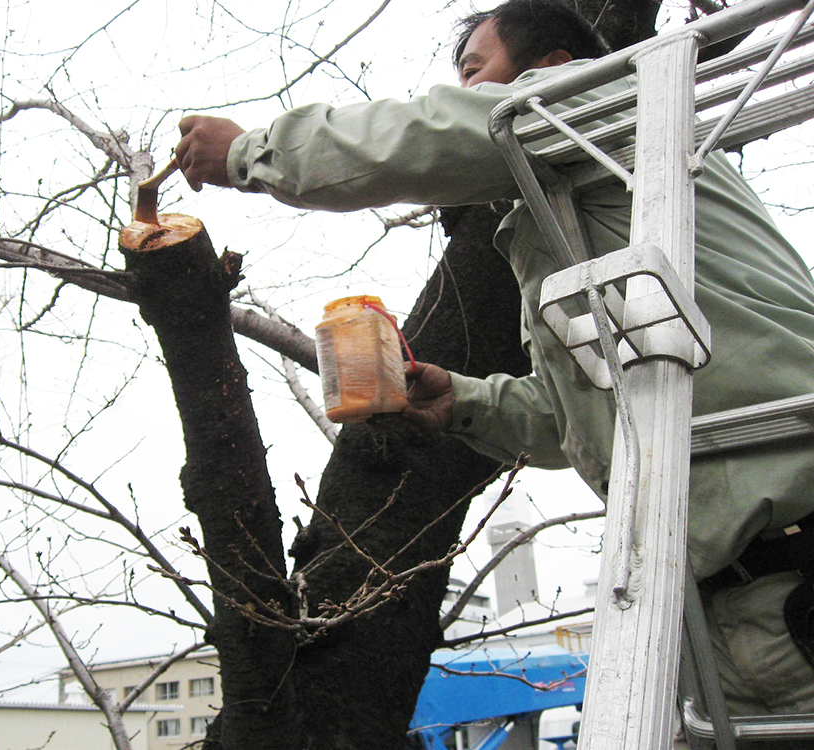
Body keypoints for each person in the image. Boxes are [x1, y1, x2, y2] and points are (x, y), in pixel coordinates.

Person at [174, 0, 814, 737]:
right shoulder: (599, 218)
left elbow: (427, 135)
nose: (467, 93)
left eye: (476, 74)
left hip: (789, 557)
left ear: (551, 71)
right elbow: (593, 417)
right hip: (729, 607)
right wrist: (465, 403)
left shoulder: (612, 101)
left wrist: (253, 150)